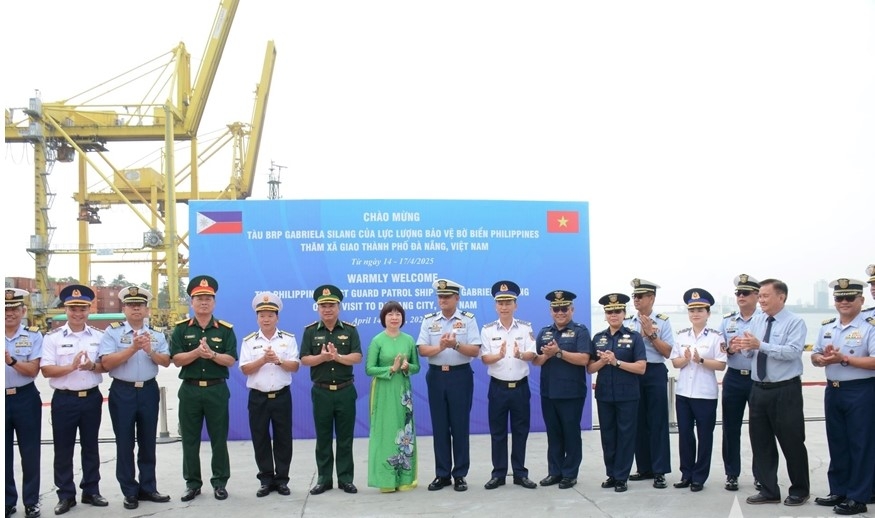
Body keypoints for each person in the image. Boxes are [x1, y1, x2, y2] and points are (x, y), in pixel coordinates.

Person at [735, 278, 809, 507]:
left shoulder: (795, 322)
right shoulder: (757, 320)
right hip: (758, 389)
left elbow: (793, 352)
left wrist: (761, 345)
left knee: (792, 441)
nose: (761, 300)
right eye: (760, 296)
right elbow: (751, 351)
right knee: (761, 442)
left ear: (781, 297)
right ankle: (768, 490)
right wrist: (743, 347)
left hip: (785, 390)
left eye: (765, 296)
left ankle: (799, 490)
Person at [98, 287, 171, 510]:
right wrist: (132, 348)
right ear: (124, 309)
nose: (136, 308)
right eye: (131, 305)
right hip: (123, 391)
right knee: (125, 443)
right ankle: (129, 491)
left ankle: (148, 488)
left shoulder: (156, 334)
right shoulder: (112, 332)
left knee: (148, 442)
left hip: (148, 390)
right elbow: (106, 363)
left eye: (140, 305)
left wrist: (149, 350)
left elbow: (166, 361)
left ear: (147, 309)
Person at [40, 285, 107, 515]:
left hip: (91, 398)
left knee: (91, 447)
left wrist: (92, 366)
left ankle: (91, 490)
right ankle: (66, 495)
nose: (78, 313)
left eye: (82, 309)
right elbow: (46, 370)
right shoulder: (53, 338)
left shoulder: (98, 336)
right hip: (64, 399)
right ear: (65, 310)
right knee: (63, 449)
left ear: (89, 310)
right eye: (73, 309)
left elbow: (105, 366)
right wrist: (71, 366)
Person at [170, 275, 238, 502]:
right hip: (189, 390)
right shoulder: (181, 329)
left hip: (216, 390)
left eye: (208, 298)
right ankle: (192, 484)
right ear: (192, 302)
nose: (204, 302)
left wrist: (212, 355)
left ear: (214, 303)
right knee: (190, 440)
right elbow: (176, 359)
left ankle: (220, 483)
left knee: (219, 439)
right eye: (199, 298)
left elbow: (230, 359)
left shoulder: (225, 330)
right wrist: (197, 353)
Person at [811, 278, 875, 516]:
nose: (844, 302)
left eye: (850, 297)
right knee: (837, 442)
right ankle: (839, 490)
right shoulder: (828, 327)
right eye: (839, 298)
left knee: (861, 444)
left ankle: (858, 496)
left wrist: (844, 359)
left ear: (861, 299)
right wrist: (820, 359)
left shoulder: (870, 327)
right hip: (834, 390)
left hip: (861, 391)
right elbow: (815, 355)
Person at [417, 278, 481, 493]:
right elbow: (422, 350)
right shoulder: (429, 320)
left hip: (460, 376)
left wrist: (455, 344)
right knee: (440, 426)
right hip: (436, 377)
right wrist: (441, 347)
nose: (442, 300)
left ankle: (460, 474)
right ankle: (442, 474)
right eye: (440, 296)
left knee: (460, 426)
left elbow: (475, 350)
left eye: (447, 296)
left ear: (457, 298)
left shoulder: (468, 320)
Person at [300, 285, 362, 495]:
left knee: (345, 438)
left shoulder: (350, 330)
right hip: (322, 392)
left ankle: (345, 479)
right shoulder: (310, 331)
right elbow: (304, 359)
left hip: (345, 391)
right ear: (318, 308)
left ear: (338, 307)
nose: (327, 309)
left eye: (331, 305)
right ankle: (324, 479)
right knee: (323, 438)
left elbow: (357, 357)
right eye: (323, 306)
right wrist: (322, 357)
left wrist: (337, 357)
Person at [239, 292, 300, 498]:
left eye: (270, 315)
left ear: (277, 318)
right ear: (257, 318)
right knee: (260, 438)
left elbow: (295, 366)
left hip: (282, 396)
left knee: (284, 439)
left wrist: (278, 360)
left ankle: (282, 480)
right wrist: (263, 360)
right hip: (258, 398)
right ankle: (265, 480)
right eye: (262, 315)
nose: (266, 319)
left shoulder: (288, 339)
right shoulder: (249, 341)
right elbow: (245, 369)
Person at [479, 281, 538, 491]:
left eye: (508, 302)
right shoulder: (487, 330)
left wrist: (520, 354)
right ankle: (498, 474)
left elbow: (532, 354)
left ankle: (520, 473)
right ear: (496, 306)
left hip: (520, 387)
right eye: (500, 303)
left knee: (521, 431)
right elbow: (485, 358)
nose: (504, 307)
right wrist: (499, 355)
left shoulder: (525, 327)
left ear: (515, 305)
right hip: (498, 388)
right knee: (498, 432)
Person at [532, 290, 592, 489]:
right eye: (556, 309)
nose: (560, 312)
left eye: (564, 308)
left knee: (570, 434)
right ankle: (555, 472)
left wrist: (559, 352)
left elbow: (584, 359)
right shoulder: (544, 332)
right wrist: (546, 355)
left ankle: (570, 473)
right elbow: (537, 361)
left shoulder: (580, 331)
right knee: (554, 434)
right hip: (548, 392)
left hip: (571, 393)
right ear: (551, 311)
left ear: (571, 310)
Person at [587, 293, 646, 493]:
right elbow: (590, 369)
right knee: (608, 436)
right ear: (605, 315)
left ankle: (622, 476)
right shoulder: (598, 338)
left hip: (627, 395)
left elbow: (641, 368)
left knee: (626, 436)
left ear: (624, 313)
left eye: (617, 311)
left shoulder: (634, 337)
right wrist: (603, 362)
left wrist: (616, 362)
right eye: (609, 311)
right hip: (605, 394)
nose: (613, 315)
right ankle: (611, 474)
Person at [669, 289, 727, 492]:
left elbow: (721, 364)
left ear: (708, 313)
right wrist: (686, 359)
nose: (695, 314)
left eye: (700, 310)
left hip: (705, 394)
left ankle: (699, 477)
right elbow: (675, 362)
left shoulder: (716, 337)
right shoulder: (681, 336)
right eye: (692, 310)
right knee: (685, 435)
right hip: (684, 393)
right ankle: (686, 474)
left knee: (704, 436)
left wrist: (700, 360)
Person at [365, 301, 421, 492]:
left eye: (398, 314)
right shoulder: (377, 341)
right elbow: (369, 369)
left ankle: (405, 478)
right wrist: (391, 368)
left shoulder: (409, 340)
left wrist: (406, 367)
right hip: (384, 390)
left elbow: (416, 367)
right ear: (384, 318)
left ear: (402, 318)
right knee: (386, 431)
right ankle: (386, 480)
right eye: (390, 314)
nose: (394, 317)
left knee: (404, 431)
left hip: (403, 392)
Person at [625, 278, 674, 489]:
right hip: (634, 372)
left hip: (654, 372)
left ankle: (659, 470)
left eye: (640, 296)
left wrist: (652, 335)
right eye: (634, 296)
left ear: (651, 298)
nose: (635, 299)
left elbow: (668, 352)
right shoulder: (628, 321)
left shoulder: (663, 321)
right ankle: (644, 467)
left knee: (658, 422)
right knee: (637, 422)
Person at [719, 274, 762, 492]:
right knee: (730, 427)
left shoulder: (764, 320)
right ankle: (732, 473)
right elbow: (720, 349)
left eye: (745, 293)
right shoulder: (728, 321)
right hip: (734, 377)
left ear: (757, 295)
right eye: (738, 293)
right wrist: (730, 349)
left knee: (760, 428)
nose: (741, 296)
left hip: (757, 379)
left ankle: (761, 475)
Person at [5, 289, 43, 518]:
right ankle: (7, 501)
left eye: (13, 308)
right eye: (5, 309)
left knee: (30, 452)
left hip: (25, 397)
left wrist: (11, 361)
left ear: (23, 311)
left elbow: (32, 370)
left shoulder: (33, 336)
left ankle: (31, 502)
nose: (9, 313)